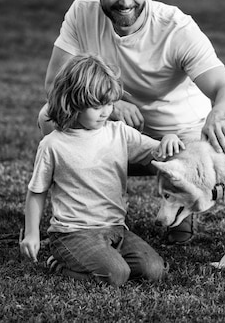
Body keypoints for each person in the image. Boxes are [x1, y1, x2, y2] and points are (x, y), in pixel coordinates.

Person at [38, 0, 225, 244]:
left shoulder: (176, 28)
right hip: (113, 125)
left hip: (176, 140)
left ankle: (179, 202)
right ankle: (85, 211)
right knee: (48, 117)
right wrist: (114, 104)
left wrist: (217, 112)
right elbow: (55, 85)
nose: (125, 2)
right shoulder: (83, 11)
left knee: (192, 146)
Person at [20, 55, 183, 286]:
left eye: (109, 103)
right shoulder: (53, 145)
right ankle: (62, 265)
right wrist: (32, 233)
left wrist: (169, 139)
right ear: (72, 101)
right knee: (116, 274)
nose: (106, 111)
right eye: (97, 106)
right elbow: (37, 192)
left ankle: (101, 259)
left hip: (116, 229)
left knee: (154, 270)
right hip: (72, 233)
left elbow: (158, 151)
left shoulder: (119, 132)